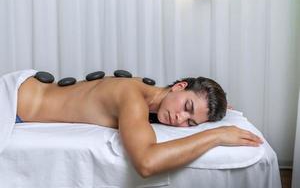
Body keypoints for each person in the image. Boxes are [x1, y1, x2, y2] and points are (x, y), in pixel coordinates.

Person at [16, 75, 263, 177]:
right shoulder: (132, 98)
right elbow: (146, 163)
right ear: (179, 86)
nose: (180, 118)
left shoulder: (150, 95)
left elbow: (167, 103)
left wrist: (214, 109)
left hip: (28, 90)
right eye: (187, 106)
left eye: (191, 122)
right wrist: (216, 136)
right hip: (13, 104)